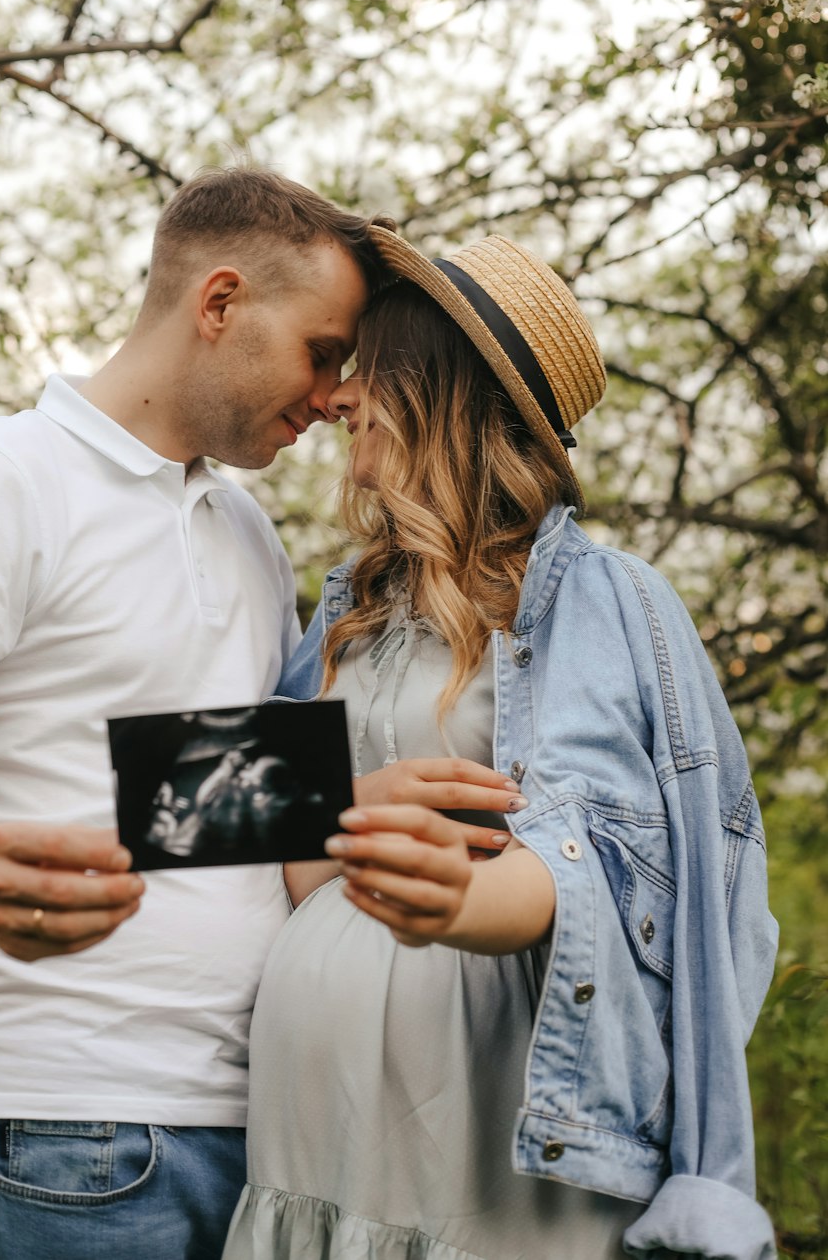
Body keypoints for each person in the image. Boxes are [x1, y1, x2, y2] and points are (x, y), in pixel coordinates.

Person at [0, 167, 414, 1260]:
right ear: (220, 301)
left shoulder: (250, 536)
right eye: (324, 352)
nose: (337, 396)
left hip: (257, 1135)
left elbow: (160, 796)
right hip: (57, 1136)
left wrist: (359, 806)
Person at [222, 228, 779, 1260]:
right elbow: (266, 836)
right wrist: (346, 823)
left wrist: (455, 901)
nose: (339, 398)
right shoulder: (348, 602)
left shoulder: (601, 600)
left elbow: (613, 872)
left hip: (478, 1127)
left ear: (442, 391)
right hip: (312, 1142)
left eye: (369, 368)